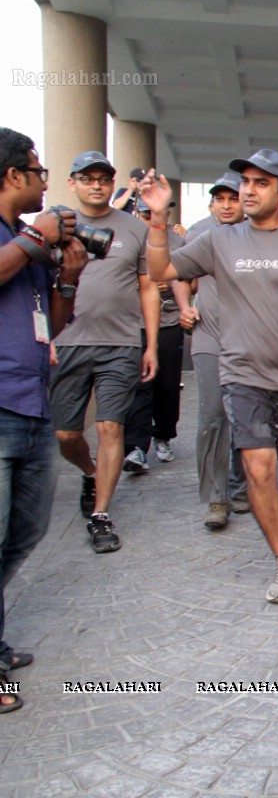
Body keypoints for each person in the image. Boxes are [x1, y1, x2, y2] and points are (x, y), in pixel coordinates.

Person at [140, 149, 278, 603]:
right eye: (245, 183)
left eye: (261, 183)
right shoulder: (221, 240)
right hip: (242, 373)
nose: (248, 191)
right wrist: (158, 219)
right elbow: (160, 270)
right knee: (258, 469)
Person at [0, 127, 89, 712]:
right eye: (38, 170)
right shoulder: (22, 238)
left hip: (33, 398)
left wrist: (68, 274)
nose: (45, 181)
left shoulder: (25, 244)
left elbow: (52, 323)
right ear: (12, 175)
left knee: (25, 530)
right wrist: (37, 237)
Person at [50, 151, 159, 554]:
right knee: (66, 434)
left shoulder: (134, 228)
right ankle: (90, 471)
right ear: (72, 183)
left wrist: (150, 344)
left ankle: (100, 515)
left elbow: (148, 286)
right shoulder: (54, 225)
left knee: (111, 427)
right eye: (87, 178)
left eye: (104, 178)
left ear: (114, 184)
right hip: (67, 342)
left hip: (121, 343)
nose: (96, 184)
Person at [186, 172, 249, 529]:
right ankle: (216, 497)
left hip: (248, 339)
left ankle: (242, 489)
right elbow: (179, 274)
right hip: (208, 337)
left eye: (233, 198)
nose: (226, 205)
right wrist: (186, 305)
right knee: (212, 416)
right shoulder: (198, 233)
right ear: (211, 203)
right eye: (220, 199)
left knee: (246, 415)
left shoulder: (258, 236)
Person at [121, 199, 192, 472]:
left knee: (167, 384)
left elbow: (189, 279)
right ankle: (136, 446)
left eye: (155, 213)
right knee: (140, 384)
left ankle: (163, 436)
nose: (150, 218)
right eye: (144, 213)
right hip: (134, 322)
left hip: (169, 320)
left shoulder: (178, 242)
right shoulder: (129, 237)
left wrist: (170, 281)